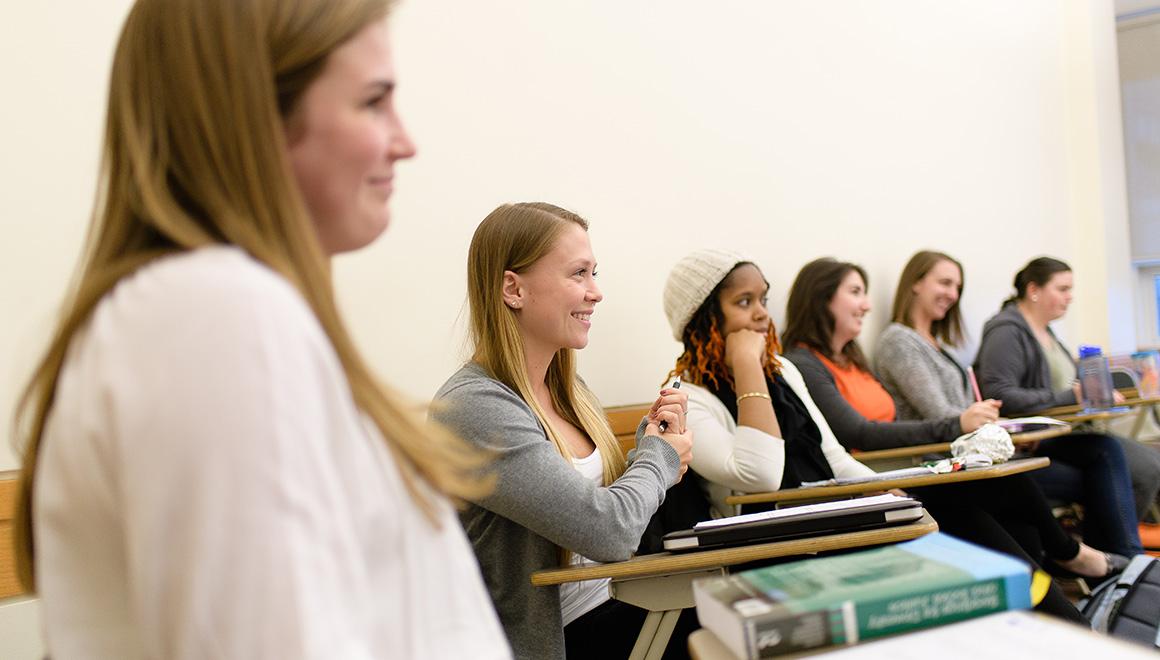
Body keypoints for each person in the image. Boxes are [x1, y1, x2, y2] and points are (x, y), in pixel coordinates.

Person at [11, 1, 511, 657]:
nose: (404, 140)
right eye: (373, 101)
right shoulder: (215, 314)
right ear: (252, 118)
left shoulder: (213, 311)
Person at [662, 249, 1087, 622]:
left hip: (827, 513)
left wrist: (884, 492)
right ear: (704, 319)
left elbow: (834, 456)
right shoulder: (689, 397)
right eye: (743, 302)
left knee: (951, 508)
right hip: (771, 540)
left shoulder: (784, 372)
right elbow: (761, 477)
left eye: (763, 299)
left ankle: (1052, 624)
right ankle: (1058, 622)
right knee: (955, 517)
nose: (761, 313)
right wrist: (747, 368)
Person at [432, 202, 695, 660]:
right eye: (578, 274)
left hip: (617, 603)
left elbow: (615, 516)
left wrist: (652, 445)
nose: (596, 293)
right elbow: (610, 531)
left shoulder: (568, 390)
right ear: (513, 289)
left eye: (595, 273)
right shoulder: (475, 408)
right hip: (560, 639)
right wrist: (659, 459)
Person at [781, 257, 1121, 581]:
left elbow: (895, 420)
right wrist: (958, 425)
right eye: (855, 293)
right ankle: (1072, 559)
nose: (868, 305)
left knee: (1022, 511)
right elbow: (860, 433)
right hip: (886, 479)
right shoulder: (808, 364)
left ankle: (1062, 590)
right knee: (1011, 487)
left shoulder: (853, 361)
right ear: (821, 298)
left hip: (911, 468)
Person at [876, 251, 1143, 558]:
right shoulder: (899, 342)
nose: (952, 294)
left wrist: (997, 427)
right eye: (945, 283)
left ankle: (1112, 565)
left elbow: (963, 415)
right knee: (1097, 472)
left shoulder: (939, 345)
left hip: (971, 455)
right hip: (944, 463)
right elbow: (943, 416)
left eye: (957, 287)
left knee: (1103, 455)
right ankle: (1104, 563)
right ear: (915, 283)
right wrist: (992, 426)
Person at [974, 256, 1160, 522]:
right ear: (1034, 290)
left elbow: (1068, 392)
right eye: (1062, 289)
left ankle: (1112, 548)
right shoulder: (1006, 332)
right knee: (1146, 469)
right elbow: (1002, 395)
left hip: (1070, 431)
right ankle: (1110, 549)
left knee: (1150, 465)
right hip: (1042, 439)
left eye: (1070, 290)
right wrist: (1071, 395)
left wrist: (1096, 396)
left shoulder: (1048, 334)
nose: (1070, 297)